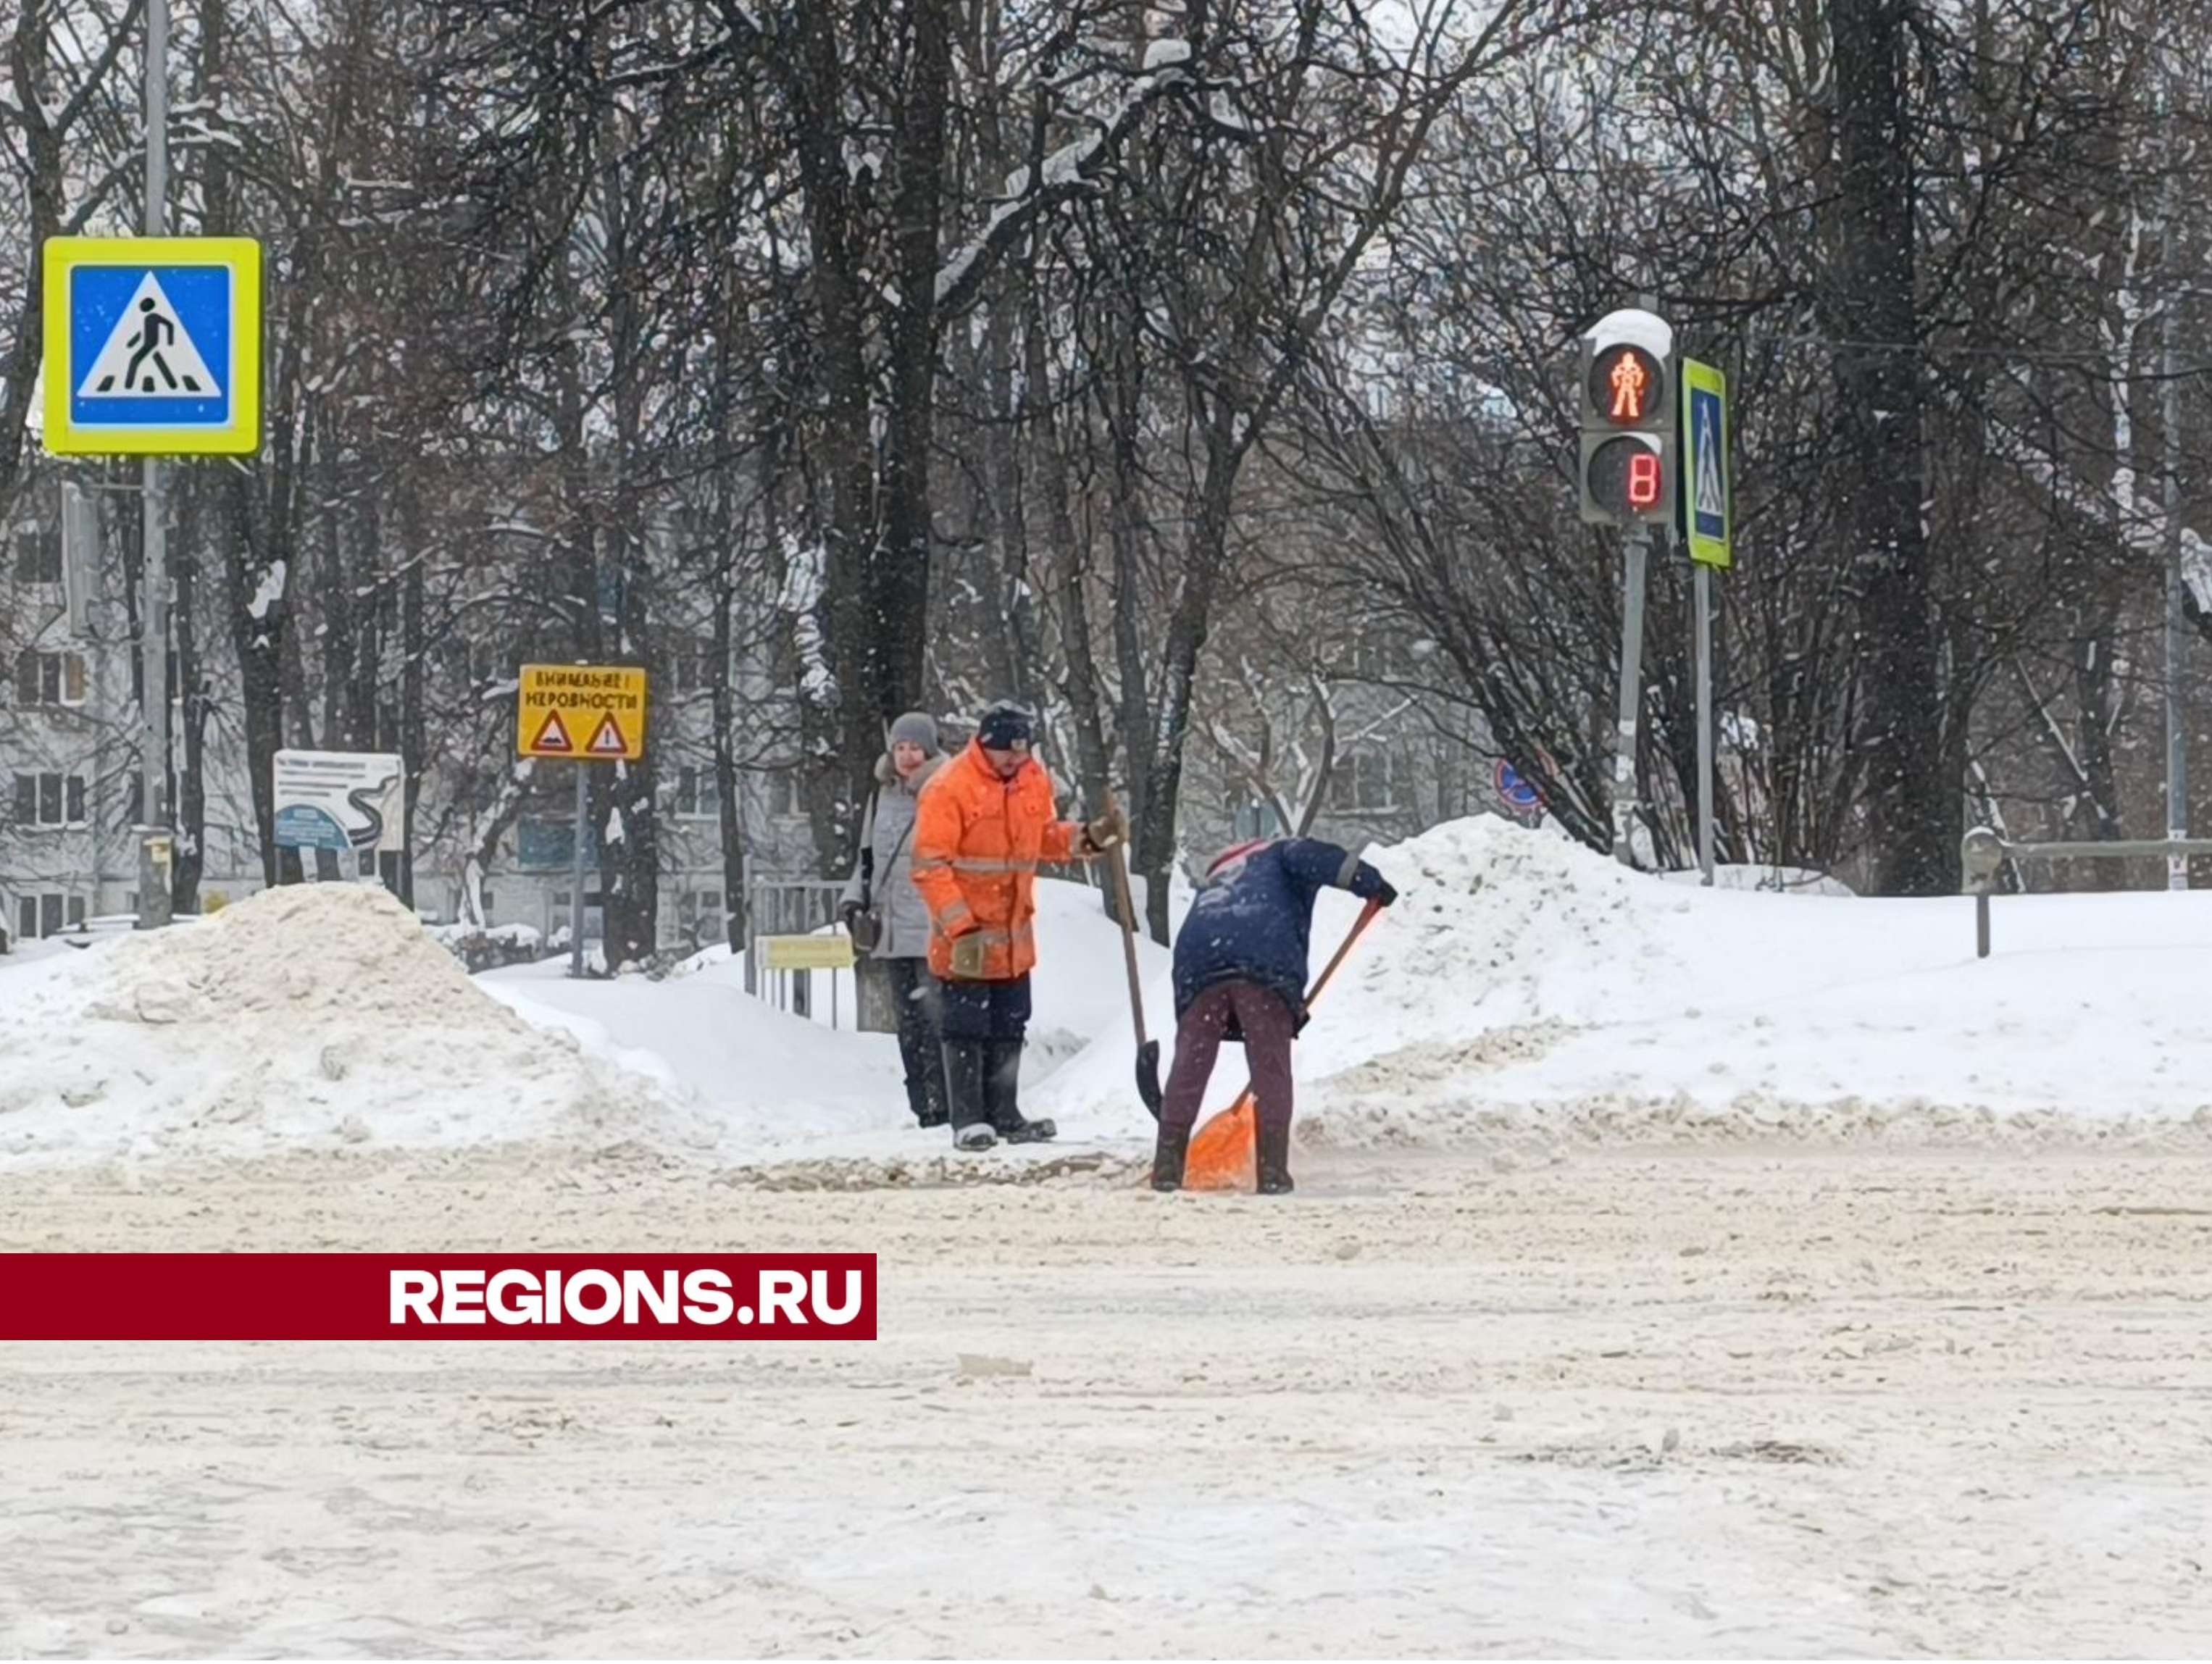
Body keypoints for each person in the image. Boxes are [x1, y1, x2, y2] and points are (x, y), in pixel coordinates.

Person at [911, 701, 1123, 1151]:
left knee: (1010, 1025)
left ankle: (1005, 1115)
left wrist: (1086, 838)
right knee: (966, 1026)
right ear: (986, 746)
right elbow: (930, 865)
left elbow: (1041, 837)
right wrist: (960, 927)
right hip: (966, 936)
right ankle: (968, 1119)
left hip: (1013, 937)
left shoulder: (1031, 780)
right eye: (1008, 752)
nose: (1016, 760)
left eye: (1022, 752)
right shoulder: (949, 788)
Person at [1152, 836, 1396, 1195]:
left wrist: (1189, 1014)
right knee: (1270, 1066)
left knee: (1191, 1061)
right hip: (1261, 958)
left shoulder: (1219, 872)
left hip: (1198, 966)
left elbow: (1195, 941)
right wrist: (1372, 884)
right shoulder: (1284, 851)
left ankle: (1167, 1169)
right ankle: (1272, 1173)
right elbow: (1326, 860)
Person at [839, 711, 951, 1129]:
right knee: (907, 1021)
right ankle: (923, 1105)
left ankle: (947, 1102)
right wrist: (853, 901)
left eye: (915, 748)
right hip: (889, 927)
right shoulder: (880, 795)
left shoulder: (946, 790)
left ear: (930, 750)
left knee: (937, 1019)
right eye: (900, 747)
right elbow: (867, 860)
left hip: (931, 923)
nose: (906, 756)